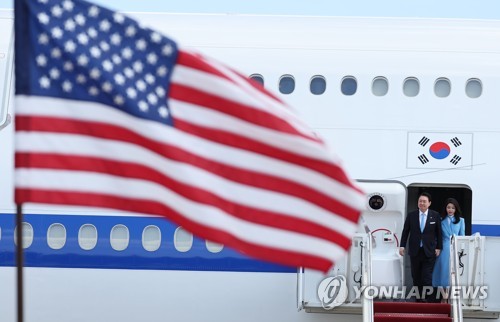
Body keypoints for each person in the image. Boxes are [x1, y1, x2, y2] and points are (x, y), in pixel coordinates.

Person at [399, 192, 442, 302]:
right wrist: (402, 245)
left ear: (429, 203)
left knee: (427, 277)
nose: (422, 203)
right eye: (420, 201)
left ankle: (428, 299)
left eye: (424, 201)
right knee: (416, 277)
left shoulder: (435, 215)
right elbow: (405, 231)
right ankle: (418, 299)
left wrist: (438, 247)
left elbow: (439, 233)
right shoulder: (411, 215)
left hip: (429, 251)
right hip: (415, 251)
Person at [432, 198, 466, 302]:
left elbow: (462, 236)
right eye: (448, 207)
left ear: (456, 209)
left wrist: (462, 250)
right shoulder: (441, 219)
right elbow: (437, 236)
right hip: (444, 248)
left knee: (453, 272)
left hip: (455, 248)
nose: (450, 210)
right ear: (445, 208)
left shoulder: (461, 220)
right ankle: (444, 295)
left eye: (452, 208)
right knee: (442, 271)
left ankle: (450, 295)